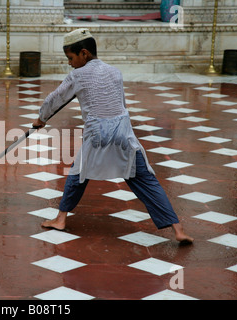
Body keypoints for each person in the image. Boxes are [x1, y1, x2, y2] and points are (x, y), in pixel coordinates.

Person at [32, 28, 193, 243]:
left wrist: (41, 119)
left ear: (84, 54)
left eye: (70, 58)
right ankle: (178, 230)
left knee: (78, 175)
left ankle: (60, 219)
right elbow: (121, 105)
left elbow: (56, 98)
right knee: (146, 180)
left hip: (97, 134)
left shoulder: (77, 75)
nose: (69, 63)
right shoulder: (115, 72)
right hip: (123, 134)